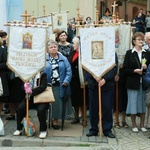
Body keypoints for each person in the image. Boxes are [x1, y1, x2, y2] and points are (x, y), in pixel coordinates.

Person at [85, 54, 118, 138]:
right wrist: (95, 76)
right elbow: (86, 66)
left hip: (107, 85)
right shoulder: (89, 50)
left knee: (107, 107)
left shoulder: (111, 51)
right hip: (93, 84)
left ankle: (107, 129)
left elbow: (114, 68)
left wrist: (105, 79)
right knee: (93, 108)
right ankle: (93, 129)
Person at [123, 32, 150, 133]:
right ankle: (134, 124)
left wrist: (146, 67)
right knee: (133, 103)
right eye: (139, 39)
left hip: (143, 82)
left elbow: (149, 67)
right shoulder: (129, 53)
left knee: (142, 104)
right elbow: (125, 69)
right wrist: (134, 71)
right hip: (132, 82)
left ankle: (142, 125)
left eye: (142, 40)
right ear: (134, 41)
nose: (141, 41)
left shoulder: (146, 53)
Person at [44, 40, 72, 130]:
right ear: (48, 49)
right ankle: (45, 120)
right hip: (47, 85)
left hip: (59, 85)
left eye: (55, 47)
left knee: (56, 104)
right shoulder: (44, 59)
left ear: (57, 48)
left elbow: (69, 71)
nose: (53, 49)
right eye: (51, 47)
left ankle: (55, 121)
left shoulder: (63, 59)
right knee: (46, 104)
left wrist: (66, 81)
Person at [13, 72, 49, 139]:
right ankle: (19, 129)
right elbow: (22, 88)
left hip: (41, 99)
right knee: (20, 109)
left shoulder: (43, 74)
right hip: (29, 98)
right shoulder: (27, 75)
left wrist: (32, 91)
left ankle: (43, 130)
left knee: (41, 110)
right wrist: (25, 87)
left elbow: (43, 87)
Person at [68, 37, 83, 124]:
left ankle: (83, 117)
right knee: (75, 100)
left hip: (80, 79)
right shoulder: (73, 52)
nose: (73, 45)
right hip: (73, 80)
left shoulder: (83, 54)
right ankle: (76, 116)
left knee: (82, 100)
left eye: (74, 43)